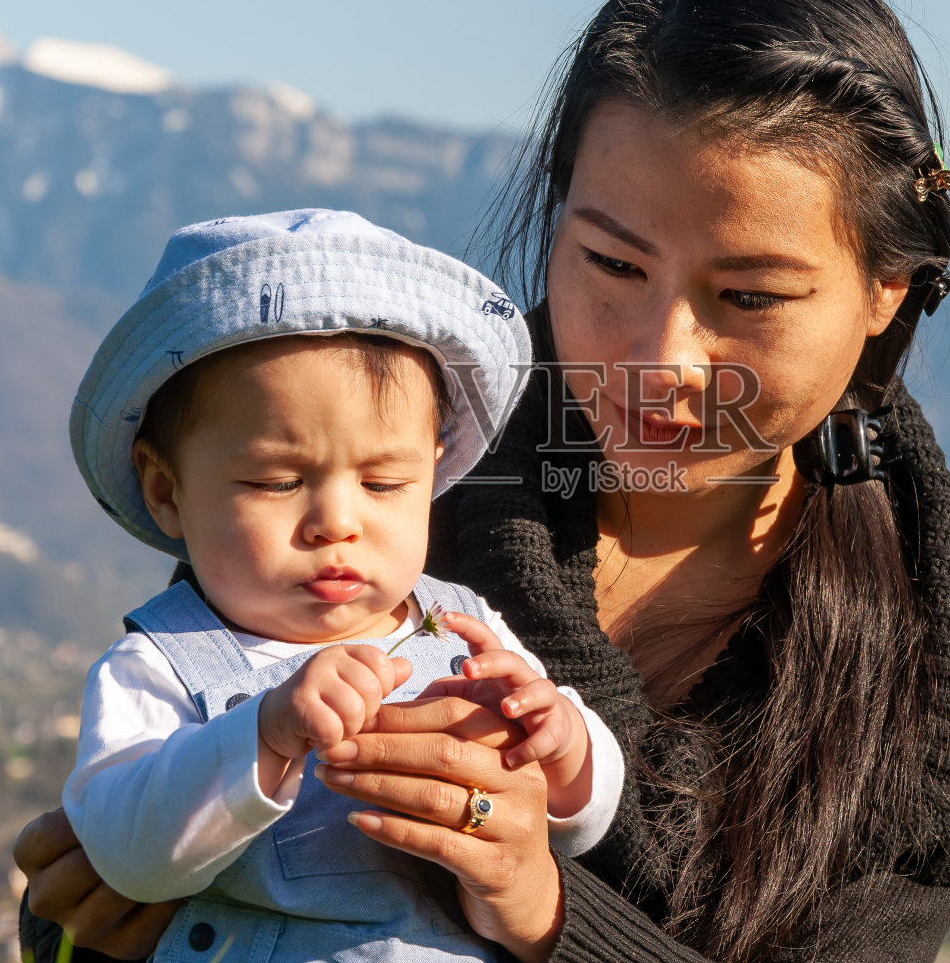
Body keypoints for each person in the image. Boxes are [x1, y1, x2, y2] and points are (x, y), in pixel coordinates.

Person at [18, 0, 950, 963]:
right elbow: (151, 836)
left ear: (887, 291)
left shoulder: (944, 671)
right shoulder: (380, 486)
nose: (661, 358)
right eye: (611, 262)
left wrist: (542, 908)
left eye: (748, 296)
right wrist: (85, 926)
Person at [59, 209, 624, 962]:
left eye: (385, 482)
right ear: (167, 491)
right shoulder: (160, 664)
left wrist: (562, 743)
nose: (337, 522)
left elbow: (583, 822)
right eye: (277, 480)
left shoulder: (461, 623)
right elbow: (128, 853)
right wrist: (262, 733)